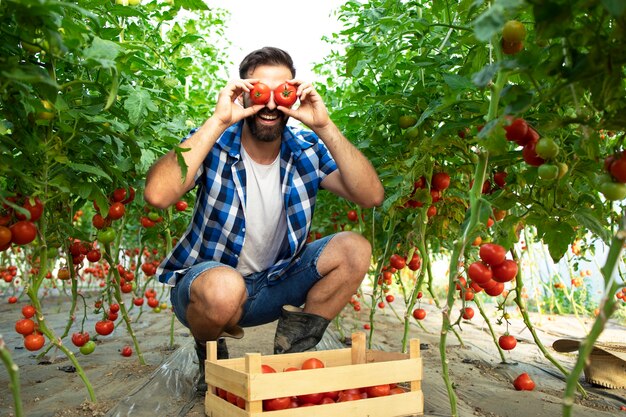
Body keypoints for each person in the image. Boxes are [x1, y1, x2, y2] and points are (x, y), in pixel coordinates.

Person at [143, 46, 384, 393]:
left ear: (295, 95)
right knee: (225, 288)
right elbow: (157, 195)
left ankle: (293, 354)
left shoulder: (306, 150)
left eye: (282, 92)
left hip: (274, 283)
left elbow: (371, 196)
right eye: (260, 90)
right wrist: (219, 120)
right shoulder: (213, 143)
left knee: (355, 249)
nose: (271, 103)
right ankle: (209, 352)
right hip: (209, 290)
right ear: (243, 93)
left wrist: (325, 125)